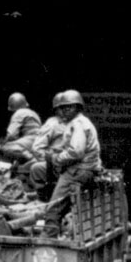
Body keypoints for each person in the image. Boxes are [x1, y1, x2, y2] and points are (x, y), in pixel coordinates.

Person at [44, 89, 102, 234]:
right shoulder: (82, 122)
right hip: (85, 170)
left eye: (69, 107)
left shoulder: (77, 124)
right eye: (63, 107)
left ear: (78, 107)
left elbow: (76, 151)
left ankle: (47, 244)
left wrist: (56, 158)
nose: (65, 111)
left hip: (77, 171)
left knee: (52, 209)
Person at [0, 92, 42, 164]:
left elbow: (11, 135)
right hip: (39, 141)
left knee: (5, 147)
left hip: (31, 140)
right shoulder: (33, 113)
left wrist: (2, 145)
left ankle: (31, 159)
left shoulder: (19, 113)